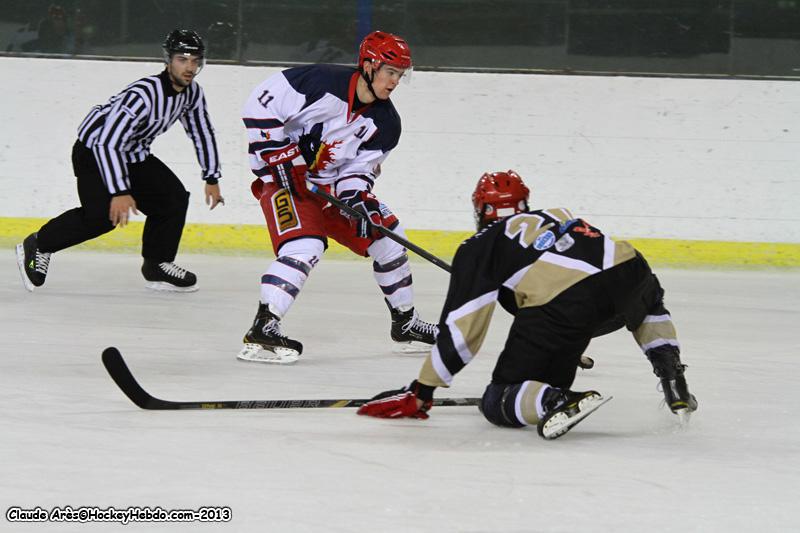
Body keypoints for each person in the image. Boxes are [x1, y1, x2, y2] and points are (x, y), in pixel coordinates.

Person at [357, 170, 698, 440]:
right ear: (524, 204)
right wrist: (565, 344)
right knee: (649, 304)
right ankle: (671, 374)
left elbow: (463, 330)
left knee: (498, 400)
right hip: (630, 268)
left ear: (481, 210)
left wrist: (423, 390)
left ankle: (555, 401)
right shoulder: (556, 215)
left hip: (568, 305)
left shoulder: (479, 246)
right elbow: (591, 276)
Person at [238, 30, 438, 364]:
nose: (394, 82)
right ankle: (264, 325)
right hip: (284, 183)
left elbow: (358, 170)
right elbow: (258, 104)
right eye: (390, 72)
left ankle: (405, 324)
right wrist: (279, 155)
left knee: (390, 238)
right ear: (369, 66)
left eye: (400, 75)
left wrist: (358, 198)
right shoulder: (319, 82)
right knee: (306, 245)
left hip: (328, 190)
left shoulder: (387, 124)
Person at [16, 29, 224, 293]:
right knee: (102, 218)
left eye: (195, 61)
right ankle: (39, 243)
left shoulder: (192, 94)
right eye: (183, 59)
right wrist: (120, 191)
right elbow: (107, 143)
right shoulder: (143, 95)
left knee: (172, 199)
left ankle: (157, 264)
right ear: (168, 60)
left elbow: (201, 131)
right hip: (94, 152)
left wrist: (212, 176)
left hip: (133, 153)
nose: (190, 67)